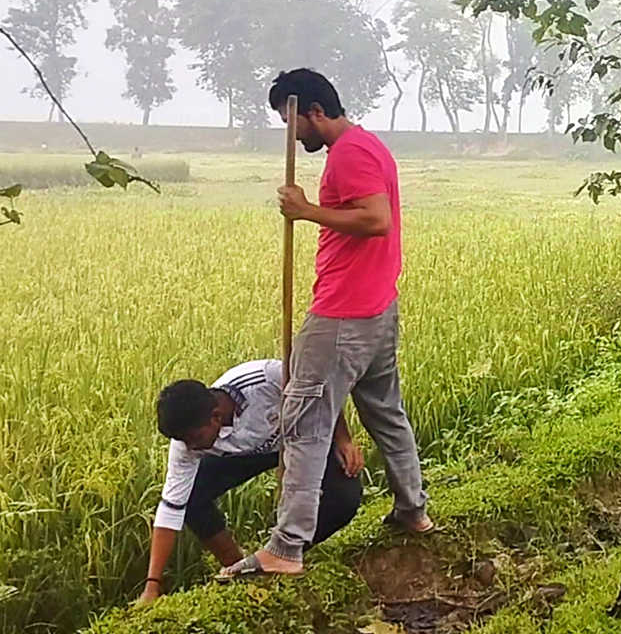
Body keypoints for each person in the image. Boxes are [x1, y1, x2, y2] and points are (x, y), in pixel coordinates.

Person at [219, 69, 431, 581]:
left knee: (304, 422)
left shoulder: (350, 154)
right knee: (386, 413)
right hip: (377, 309)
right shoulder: (368, 145)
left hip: (342, 314)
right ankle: (413, 510)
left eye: (292, 123)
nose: (293, 136)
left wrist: (306, 210)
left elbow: (376, 219)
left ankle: (286, 547)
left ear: (314, 112)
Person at [139, 360, 363, 601]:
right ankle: (240, 568)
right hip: (248, 453)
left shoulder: (269, 379)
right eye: (185, 442)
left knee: (345, 499)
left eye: (195, 439)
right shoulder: (187, 443)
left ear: (216, 417)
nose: (191, 447)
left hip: (299, 437)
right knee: (192, 496)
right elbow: (171, 508)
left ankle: (283, 553)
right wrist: (152, 584)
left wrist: (343, 439)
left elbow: (321, 392)